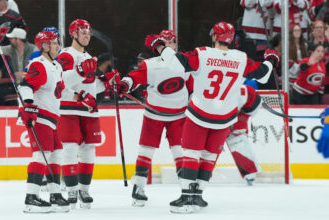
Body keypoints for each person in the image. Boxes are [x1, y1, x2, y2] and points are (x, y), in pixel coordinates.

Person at [140, 21, 279, 213]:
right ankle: (198, 196)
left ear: (214, 36)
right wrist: (271, 59)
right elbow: (263, 75)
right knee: (209, 156)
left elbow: (177, 62)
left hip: (199, 114)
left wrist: (159, 46)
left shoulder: (203, 54)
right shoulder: (240, 58)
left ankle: (187, 196)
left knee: (190, 153)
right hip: (224, 118)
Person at [118, 29, 192, 207]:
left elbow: (193, 88)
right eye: (165, 42)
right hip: (154, 115)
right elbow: (136, 77)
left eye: (172, 41)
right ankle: (138, 188)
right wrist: (125, 84)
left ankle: (186, 190)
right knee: (146, 150)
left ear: (176, 44)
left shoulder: (186, 64)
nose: (169, 45)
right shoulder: (150, 64)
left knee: (180, 151)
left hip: (179, 115)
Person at [56, 19, 118, 209]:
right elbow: (60, 82)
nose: (87, 35)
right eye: (83, 32)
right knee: (70, 150)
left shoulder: (89, 56)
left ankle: (84, 189)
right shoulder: (66, 54)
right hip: (69, 110)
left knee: (89, 151)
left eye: (89, 32)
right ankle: (72, 189)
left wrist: (105, 83)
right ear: (73, 34)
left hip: (89, 111)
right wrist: (81, 72)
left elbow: (89, 86)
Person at [18, 30, 68, 213]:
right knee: (41, 155)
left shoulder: (56, 66)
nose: (57, 46)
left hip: (52, 119)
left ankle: (55, 195)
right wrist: (29, 106)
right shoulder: (39, 64)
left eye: (57, 42)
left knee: (56, 153)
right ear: (45, 46)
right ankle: (31, 198)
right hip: (40, 117)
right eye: (54, 43)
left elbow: (58, 91)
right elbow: (25, 86)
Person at [226, 85, 262, 186]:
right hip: (240, 103)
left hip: (249, 104)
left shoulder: (234, 98)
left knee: (236, 138)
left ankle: (250, 174)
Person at [288, 24, 308, 88]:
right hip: (291, 75)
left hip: (301, 75)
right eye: (295, 30)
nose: (297, 32)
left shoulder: (305, 45)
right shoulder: (287, 45)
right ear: (292, 33)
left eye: (299, 30)